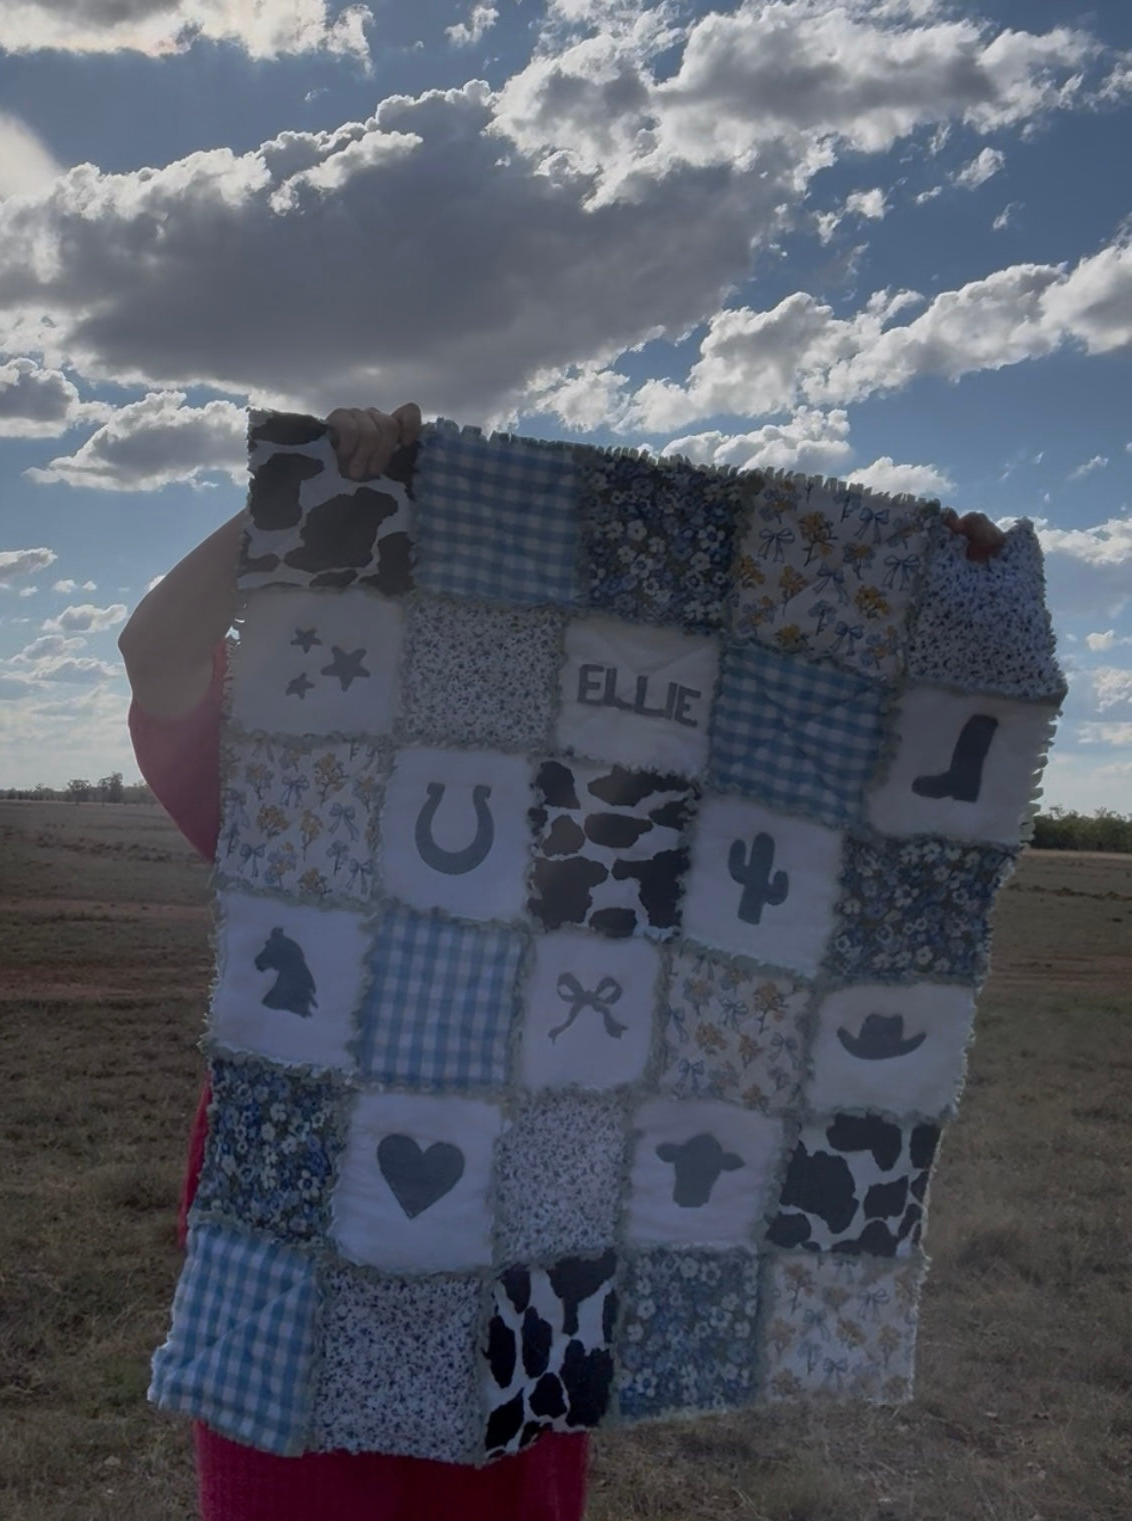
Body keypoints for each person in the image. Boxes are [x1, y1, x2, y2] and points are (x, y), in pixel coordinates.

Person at [119, 402, 1005, 1521]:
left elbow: (817, 798)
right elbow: (156, 651)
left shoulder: (606, 845)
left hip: (523, 1285)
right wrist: (298, 493)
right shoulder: (305, 800)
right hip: (301, 1288)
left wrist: (937, 606)